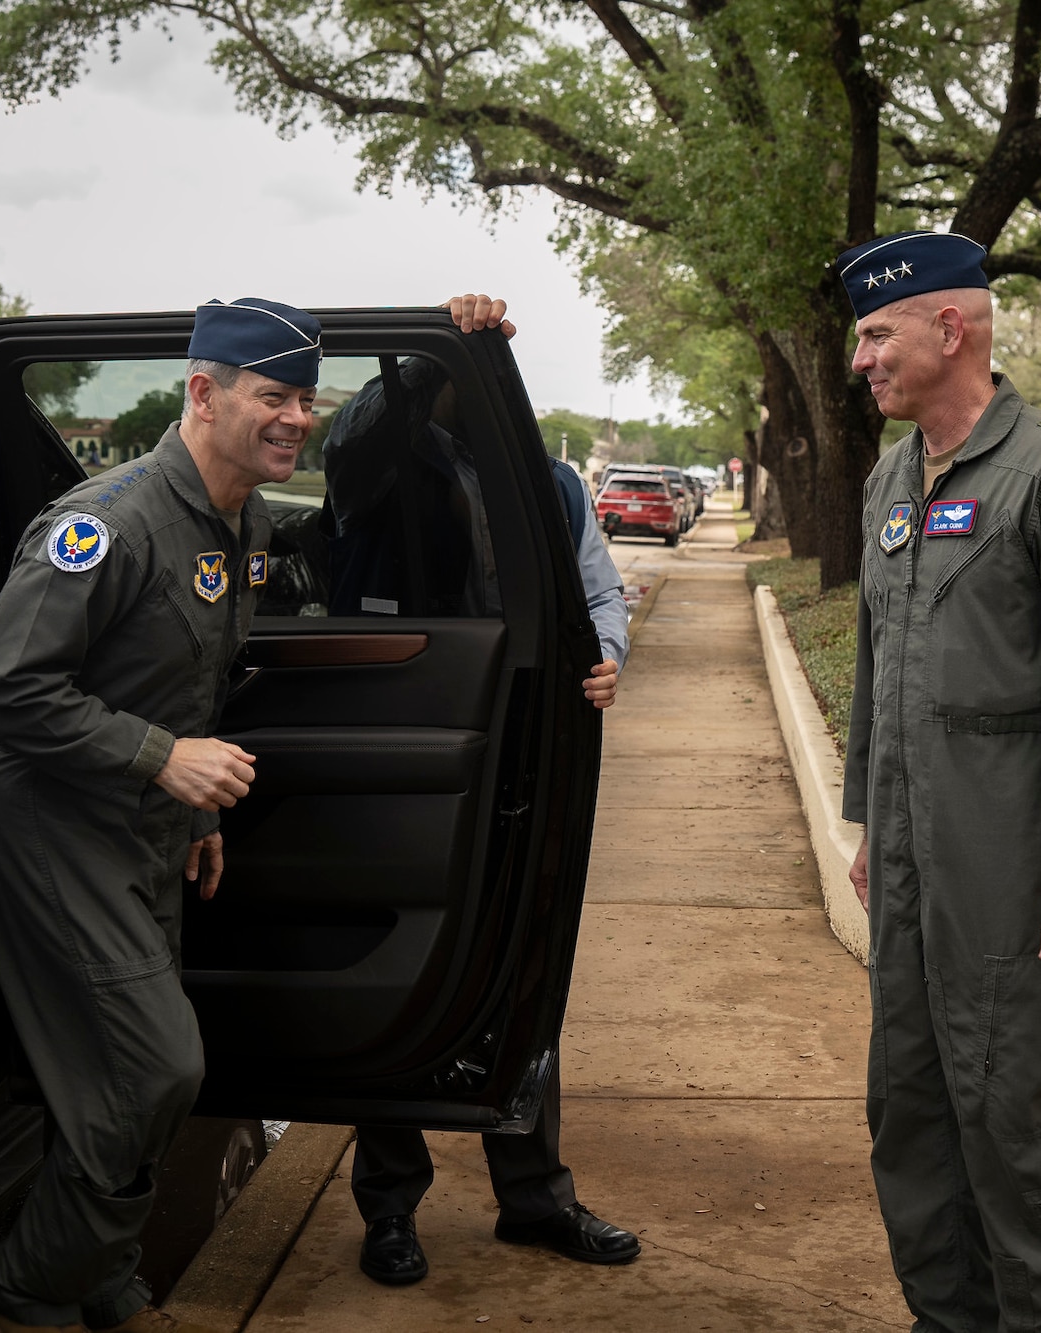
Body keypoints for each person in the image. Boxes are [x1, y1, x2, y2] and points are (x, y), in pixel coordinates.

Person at [0, 297, 323, 1333]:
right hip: (46, 820)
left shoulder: (242, 517)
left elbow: (187, 683)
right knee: (154, 1067)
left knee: (106, 1077)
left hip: (138, 826)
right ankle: (17, 1297)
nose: (297, 416)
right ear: (203, 394)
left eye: (306, 399)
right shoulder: (103, 523)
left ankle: (103, 1282)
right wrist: (163, 759)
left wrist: (192, 807)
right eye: (272, 396)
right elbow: (7, 689)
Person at [839, 230, 1041, 1332]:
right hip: (913, 871)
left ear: (949, 326)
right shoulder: (891, 474)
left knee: (1026, 1132)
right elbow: (881, 660)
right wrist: (872, 821)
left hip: (1014, 876)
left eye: (874, 333)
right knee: (913, 1121)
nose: (858, 357)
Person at [333, 295, 635, 1287]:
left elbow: (596, 591)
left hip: (523, 757)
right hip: (401, 747)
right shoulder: (385, 467)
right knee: (392, 962)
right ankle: (389, 1211)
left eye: (491, 371)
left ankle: (534, 1198)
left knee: (521, 967)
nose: (479, 391)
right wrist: (431, 348)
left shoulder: (551, 484)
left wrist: (608, 655)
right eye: (462, 375)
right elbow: (360, 443)